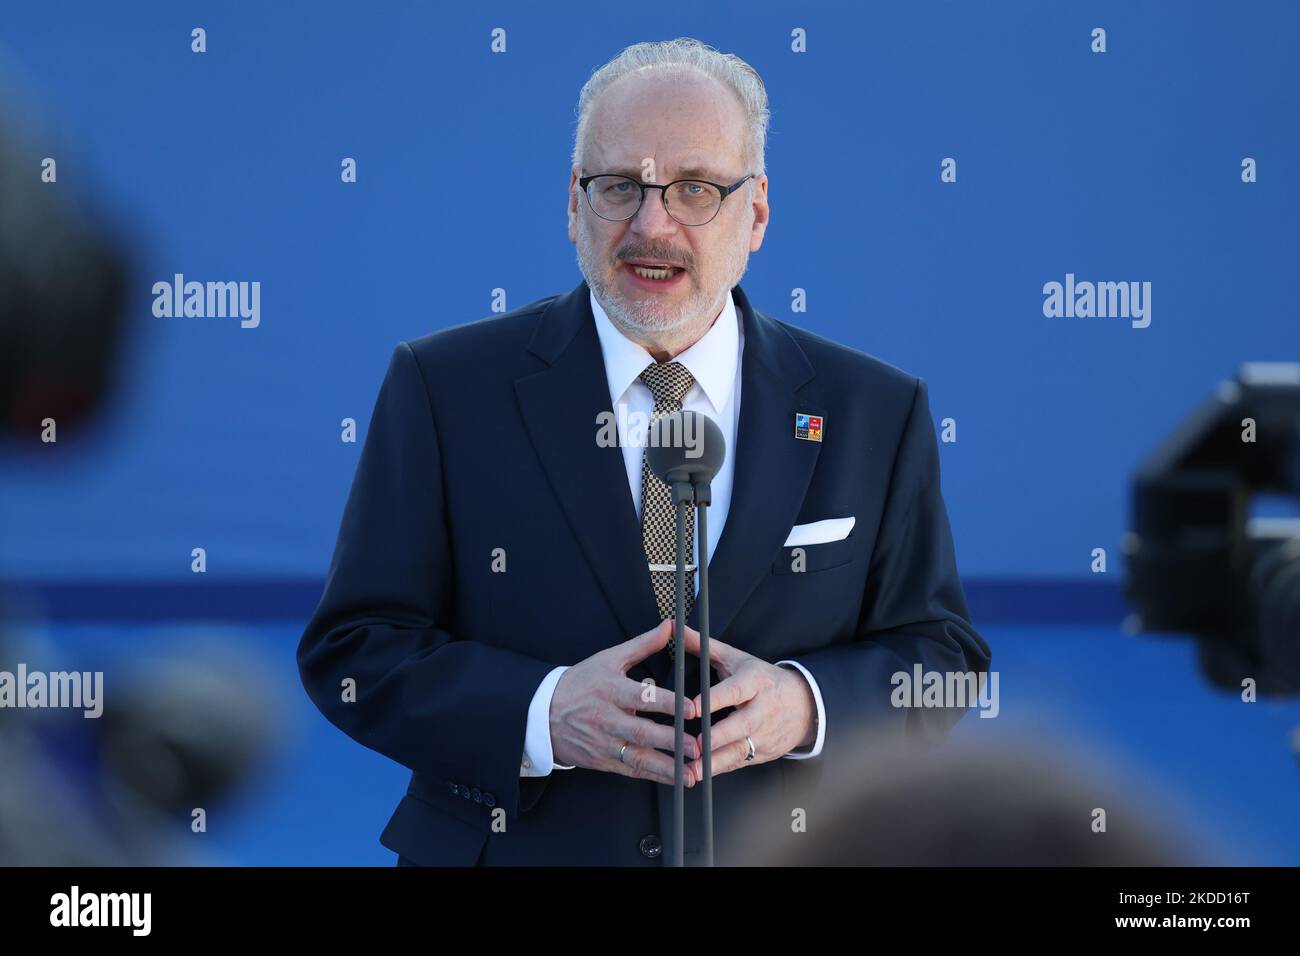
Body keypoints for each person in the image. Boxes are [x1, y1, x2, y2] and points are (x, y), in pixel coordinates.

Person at [297, 37, 990, 866]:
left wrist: (804, 707)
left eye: (694, 189)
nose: (651, 225)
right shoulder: (443, 387)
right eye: (619, 186)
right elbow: (356, 650)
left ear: (758, 212)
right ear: (573, 204)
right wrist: (540, 712)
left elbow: (941, 657)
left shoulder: (873, 409)